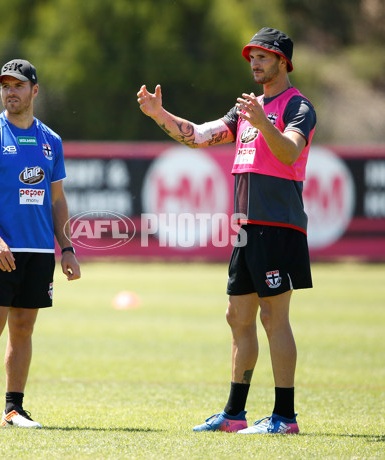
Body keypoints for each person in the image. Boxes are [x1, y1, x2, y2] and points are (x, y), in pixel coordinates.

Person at [137, 27, 316, 434]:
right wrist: (158, 115)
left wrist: (263, 122)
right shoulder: (247, 108)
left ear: (283, 62)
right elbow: (199, 136)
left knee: (274, 316)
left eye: (263, 56)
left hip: (277, 224)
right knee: (238, 316)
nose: (254, 62)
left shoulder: (299, 106)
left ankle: (285, 418)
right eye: (251, 56)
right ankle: (235, 415)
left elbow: (290, 151)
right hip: (245, 227)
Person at [0, 59, 81, 428]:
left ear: (34, 91)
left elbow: (57, 200)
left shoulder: (51, 141)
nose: (10, 92)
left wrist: (68, 249)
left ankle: (13, 409)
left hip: (40, 249)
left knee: (24, 326)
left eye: (17, 85)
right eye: (5, 86)